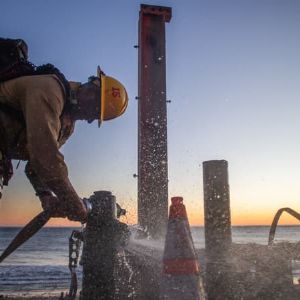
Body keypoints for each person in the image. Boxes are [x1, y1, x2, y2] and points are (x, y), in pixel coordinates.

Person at [0, 65, 128, 223]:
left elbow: (34, 167)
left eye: (95, 117)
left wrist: (45, 195)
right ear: (90, 88)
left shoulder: (66, 125)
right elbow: (45, 158)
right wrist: (74, 203)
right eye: (94, 109)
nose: (88, 119)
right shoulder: (49, 91)